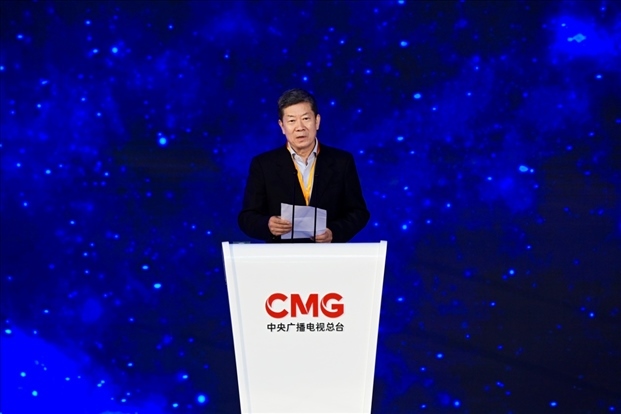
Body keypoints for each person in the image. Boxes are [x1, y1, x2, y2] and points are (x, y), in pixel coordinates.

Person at [238, 88, 370, 243]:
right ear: (282, 126)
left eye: (306, 118)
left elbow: (358, 212)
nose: (300, 127)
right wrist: (267, 225)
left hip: (327, 254)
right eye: (292, 121)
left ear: (317, 121)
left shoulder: (342, 162)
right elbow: (247, 217)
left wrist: (333, 232)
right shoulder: (263, 165)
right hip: (282, 255)